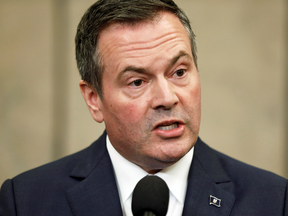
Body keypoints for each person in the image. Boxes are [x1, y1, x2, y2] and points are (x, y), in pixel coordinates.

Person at [0, 0, 287, 215]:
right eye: (137, 82)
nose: (167, 98)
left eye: (179, 72)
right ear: (93, 99)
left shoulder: (274, 200)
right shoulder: (24, 202)